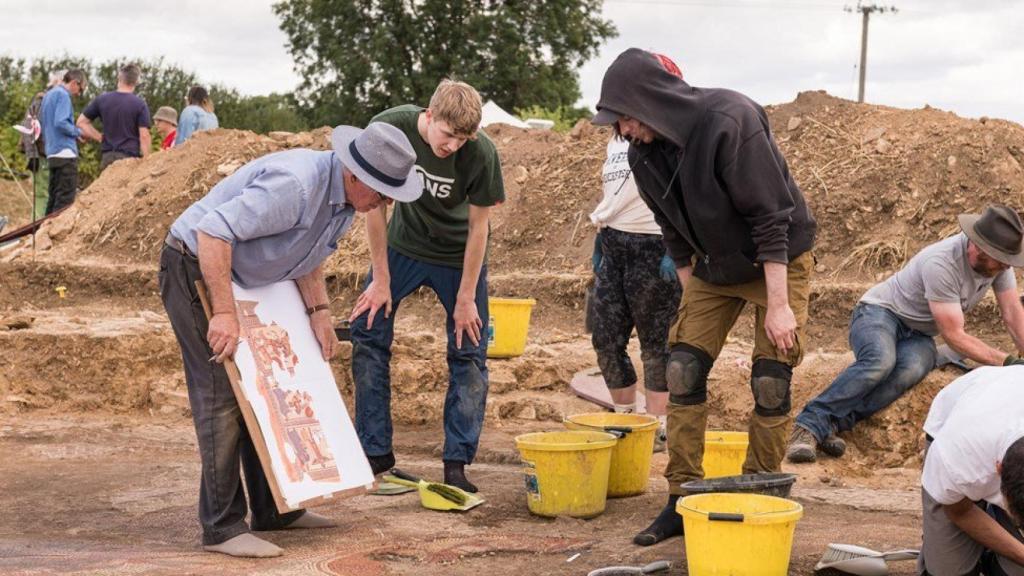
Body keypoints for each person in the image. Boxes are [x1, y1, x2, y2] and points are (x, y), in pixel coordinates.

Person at [160, 122, 421, 558]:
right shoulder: (296, 186)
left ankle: (274, 510)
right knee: (222, 392)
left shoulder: (343, 203)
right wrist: (223, 312)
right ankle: (222, 527)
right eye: (382, 192)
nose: (385, 203)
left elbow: (304, 254)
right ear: (356, 176)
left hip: (247, 276)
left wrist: (319, 313)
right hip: (195, 266)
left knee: (271, 387)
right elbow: (212, 232)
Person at [592, 48, 818, 546]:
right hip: (714, 266)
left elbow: (771, 219)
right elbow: (672, 233)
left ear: (650, 101)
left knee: (770, 378)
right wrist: (695, 302)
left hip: (774, 258)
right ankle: (681, 498)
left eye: (626, 118)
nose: (624, 131)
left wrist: (778, 306)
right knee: (683, 367)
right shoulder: (642, 154)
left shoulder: (730, 120)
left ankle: (763, 489)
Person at [349, 79, 505, 494]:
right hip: (403, 246)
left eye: (463, 138)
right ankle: (375, 452)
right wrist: (380, 279)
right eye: (448, 134)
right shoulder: (390, 127)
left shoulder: (482, 153)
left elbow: (479, 228)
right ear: (429, 115)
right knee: (367, 331)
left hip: (458, 257)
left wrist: (467, 297)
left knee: (469, 351)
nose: (453, 146)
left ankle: (457, 463)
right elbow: (375, 206)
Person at [788, 204, 1024, 463]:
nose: (1005, 266)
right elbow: (954, 335)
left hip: (919, 333)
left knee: (911, 370)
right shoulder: (942, 263)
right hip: (879, 313)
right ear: (979, 247)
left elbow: (1012, 312)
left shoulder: (998, 265)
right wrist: (1008, 362)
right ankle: (808, 424)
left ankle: (832, 425)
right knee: (881, 361)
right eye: (1000, 259)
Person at [589, 53, 684, 452]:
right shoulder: (619, 137)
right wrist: (601, 234)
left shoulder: (667, 135)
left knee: (655, 342)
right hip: (613, 242)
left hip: (655, 243)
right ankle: (624, 420)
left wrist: (676, 247)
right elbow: (616, 190)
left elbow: (679, 196)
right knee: (606, 337)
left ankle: (659, 427)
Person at [918, 365, 1024, 575]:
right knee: (948, 571)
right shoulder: (955, 457)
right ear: (998, 470)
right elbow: (960, 511)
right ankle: (983, 532)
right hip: (960, 414)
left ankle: (994, 547)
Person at [76, 63, 151, 171]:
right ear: (136, 82)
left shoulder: (102, 99)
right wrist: (147, 160)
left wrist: (100, 137)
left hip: (108, 157)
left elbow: (81, 122)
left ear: (119, 78)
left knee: (106, 188)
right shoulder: (140, 104)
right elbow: (144, 136)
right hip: (129, 159)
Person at [40, 69, 94, 215]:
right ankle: (57, 236)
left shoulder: (48, 96)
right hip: (65, 154)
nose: (79, 93)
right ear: (75, 83)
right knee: (65, 201)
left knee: (53, 198)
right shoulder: (63, 95)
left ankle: (43, 233)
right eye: (81, 89)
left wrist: (74, 135)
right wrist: (79, 132)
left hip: (52, 152)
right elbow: (61, 123)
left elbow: (49, 123)